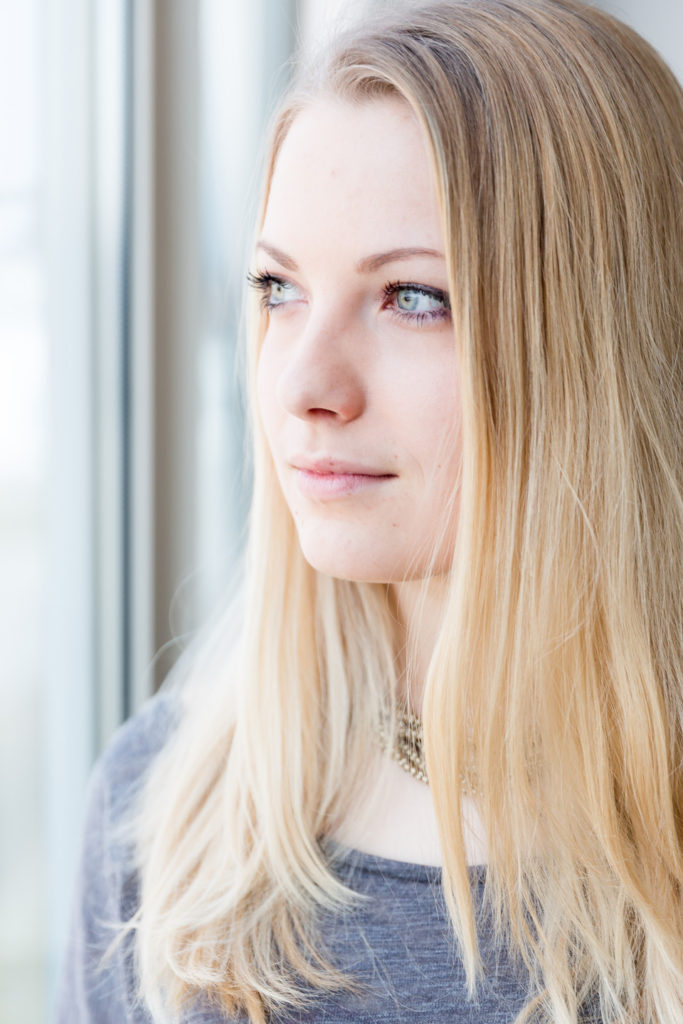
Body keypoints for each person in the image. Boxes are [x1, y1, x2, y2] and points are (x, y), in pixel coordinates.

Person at [56, 0, 683, 1021]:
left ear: (593, 348)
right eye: (277, 286)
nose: (302, 382)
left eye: (411, 298)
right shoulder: (163, 810)